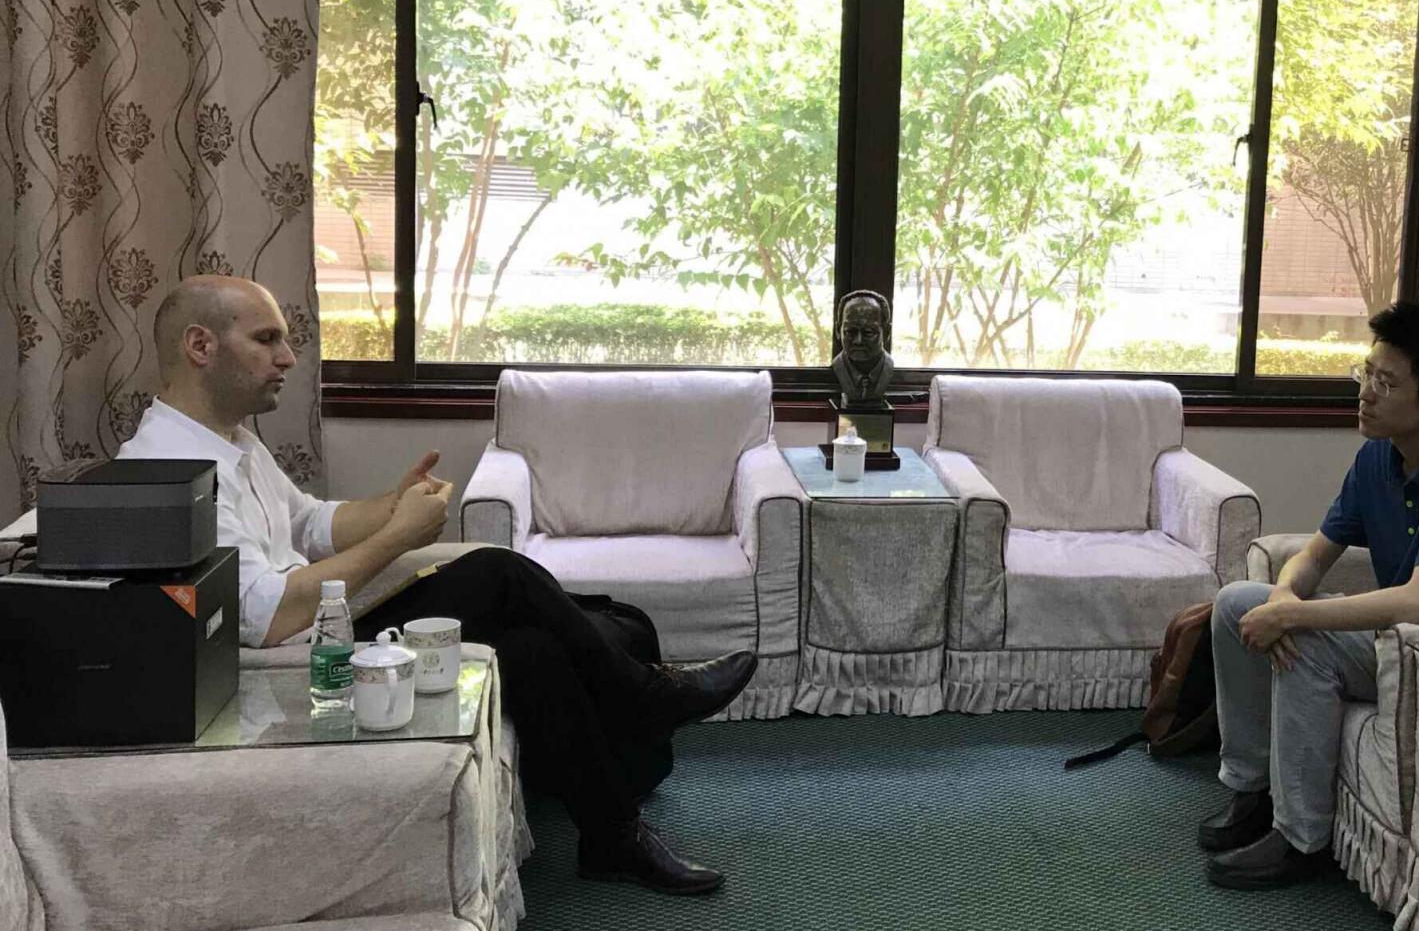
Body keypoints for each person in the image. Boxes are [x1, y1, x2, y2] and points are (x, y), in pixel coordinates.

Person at [120, 276, 757, 896]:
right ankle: (645, 696)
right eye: (267, 339)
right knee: (497, 571)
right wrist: (398, 537)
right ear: (200, 346)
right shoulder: (170, 470)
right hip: (297, 667)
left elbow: (311, 523)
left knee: (531, 650)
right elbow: (267, 617)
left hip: (320, 631)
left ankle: (611, 836)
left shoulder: (230, 442)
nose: (287, 357)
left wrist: (394, 505)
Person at [1201, 300, 1419, 889]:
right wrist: (1283, 600)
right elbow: (1313, 556)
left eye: (1386, 383)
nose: (1366, 393)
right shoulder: (1377, 457)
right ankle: (1253, 789)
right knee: (1236, 605)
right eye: (1366, 373)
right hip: (1401, 641)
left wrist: (1297, 619)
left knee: (1308, 643)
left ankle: (1300, 839)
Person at [829, 290, 894, 405]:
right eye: (850, 332)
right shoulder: (833, 372)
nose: (858, 341)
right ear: (838, 330)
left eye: (868, 332)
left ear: (886, 332)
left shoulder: (894, 374)